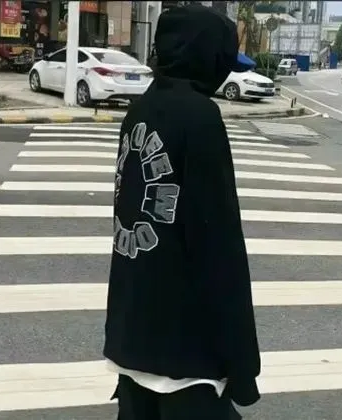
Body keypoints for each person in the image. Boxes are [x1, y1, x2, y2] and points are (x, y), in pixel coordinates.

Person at [104, 4, 261, 419]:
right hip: (186, 353)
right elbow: (219, 246)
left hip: (132, 339)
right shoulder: (200, 118)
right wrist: (242, 363)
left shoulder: (139, 111)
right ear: (207, 59)